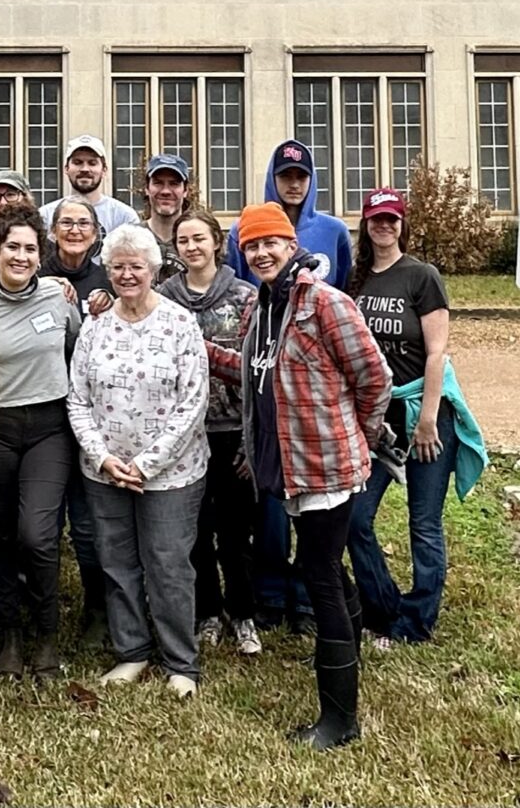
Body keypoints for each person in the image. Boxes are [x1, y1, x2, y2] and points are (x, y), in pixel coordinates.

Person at [220, 203, 391, 750]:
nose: (262, 252)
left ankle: (339, 720)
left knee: (317, 575)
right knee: (323, 566)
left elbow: (374, 377)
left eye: (271, 242)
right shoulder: (260, 309)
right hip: (290, 464)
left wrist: (356, 438)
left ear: (291, 244)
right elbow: (253, 371)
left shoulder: (324, 303)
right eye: (252, 246)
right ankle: (354, 654)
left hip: (328, 466)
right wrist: (195, 346)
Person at [67, 224, 209, 700]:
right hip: (104, 472)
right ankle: (132, 651)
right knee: (117, 562)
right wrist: (103, 458)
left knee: (168, 563)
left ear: (154, 270)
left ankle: (180, 661)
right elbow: (77, 400)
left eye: (137, 267)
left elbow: (193, 403)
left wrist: (146, 463)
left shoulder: (179, 324)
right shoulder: (95, 326)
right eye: (118, 267)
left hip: (171, 473)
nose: (128, 275)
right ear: (108, 271)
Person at [346, 187, 487, 645]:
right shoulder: (357, 278)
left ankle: (418, 620)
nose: (383, 227)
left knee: (423, 521)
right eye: (376, 219)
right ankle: (384, 607)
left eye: (392, 219)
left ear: (402, 224)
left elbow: (437, 353)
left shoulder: (421, 276)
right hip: (377, 421)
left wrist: (427, 418)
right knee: (354, 518)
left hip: (423, 413)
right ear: (365, 225)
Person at [228, 139, 353, 633]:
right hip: (266, 385)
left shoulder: (332, 233)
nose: (294, 182)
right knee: (273, 507)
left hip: (316, 400)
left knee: (319, 521)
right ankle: (272, 595)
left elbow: (364, 367)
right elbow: (250, 296)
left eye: (301, 175)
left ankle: (310, 602)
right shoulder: (248, 229)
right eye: (285, 174)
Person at [0, 207, 80, 680]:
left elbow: (81, 349)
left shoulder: (59, 299)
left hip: (48, 428)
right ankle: (10, 633)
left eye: (30, 249)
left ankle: (47, 634)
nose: (21, 255)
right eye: (12, 247)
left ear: (43, 255)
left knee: (37, 534)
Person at [160, 207, 260, 658]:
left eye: (199, 238)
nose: (192, 247)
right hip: (184, 434)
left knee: (235, 533)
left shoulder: (245, 298)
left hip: (231, 430)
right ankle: (207, 612)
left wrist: (251, 436)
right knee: (195, 531)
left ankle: (243, 615)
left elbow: (259, 373)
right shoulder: (165, 298)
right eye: (183, 241)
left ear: (217, 243)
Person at [41, 195, 109, 641]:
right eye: (66, 222)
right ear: (52, 231)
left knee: (87, 522)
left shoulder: (108, 278)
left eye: (83, 223)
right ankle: (38, 607)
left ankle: (97, 606)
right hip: (44, 411)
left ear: (96, 231)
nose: (74, 230)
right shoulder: (35, 272)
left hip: (95, 415)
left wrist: (113, 300)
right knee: (43, 521)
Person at [226, 140, 352, 289]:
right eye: (286, 176)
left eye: (302, 176)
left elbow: (346, 290)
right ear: (272, 179)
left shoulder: (335, 231)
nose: (294, 185)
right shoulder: (243, 229)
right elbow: (235, 290)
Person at [39, 135, 138, 237]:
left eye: (92, 163)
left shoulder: (124, 217)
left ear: (104, 170)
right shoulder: (46, 216)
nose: (85, 169)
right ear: (66, 168)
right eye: (77, 162)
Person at [139, 154, 192, 279]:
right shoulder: (131, 238)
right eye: (158, 183)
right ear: (147, 188)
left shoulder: (198, 240)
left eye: (174, 184)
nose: (165, 191)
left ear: (185, 191)